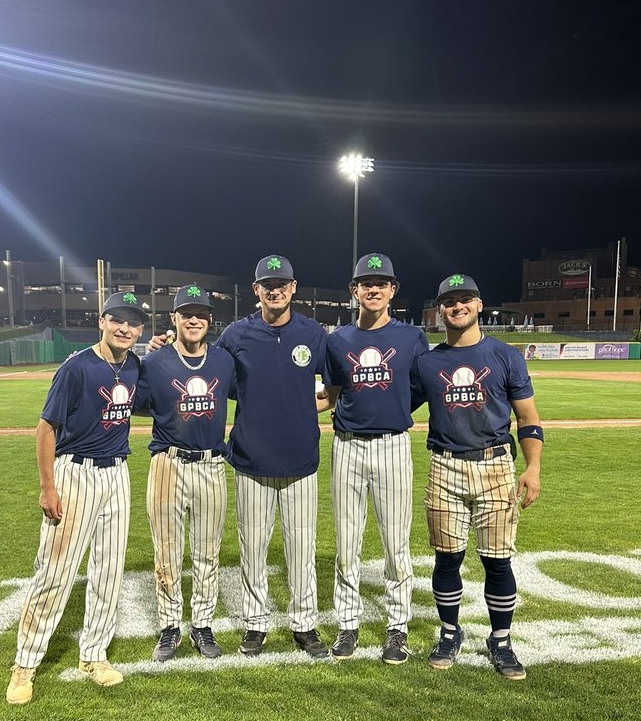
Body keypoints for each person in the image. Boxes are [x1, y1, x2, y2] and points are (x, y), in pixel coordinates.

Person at [6, 291, 145, 704]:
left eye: (133, 323)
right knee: (55, 573)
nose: (125, 328)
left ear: (140, 330)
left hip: (117, 473)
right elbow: (46, 428)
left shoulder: (135, 365)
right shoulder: (77, 368)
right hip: (76, 474)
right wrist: (48, 486)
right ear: (101, 321)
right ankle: (25, 664)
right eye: (117, 319)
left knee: (108, 572)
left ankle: (94, 655)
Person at [412, 273, 542, 680]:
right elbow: (395, 405)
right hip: (445, 464)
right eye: (449, 300)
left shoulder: (505, 356)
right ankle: (450, 633)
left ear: (480, 304)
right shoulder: (428, 362)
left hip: (495, 464)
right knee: (447, 558)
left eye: (465, 298)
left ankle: (500, 641)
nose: (457, 306)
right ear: (440, 309)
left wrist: (533, 467)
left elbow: (528, 419)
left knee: (497, 561)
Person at [217, 256, 328, 658]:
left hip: (300, 461)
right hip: (250, 460)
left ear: (294, 287)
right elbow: (212, 375)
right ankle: (255, 623)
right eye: (268, 284)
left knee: (302, 547)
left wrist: (299, 408)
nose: (275, 289)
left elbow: (332, 386)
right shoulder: (236, 334)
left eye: (282, 283)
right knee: (253, 547)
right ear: (256, 289)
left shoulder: (312, 333)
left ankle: (304, 624)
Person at [321, 253, 428, 664]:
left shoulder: (411, 337)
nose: (373, 288)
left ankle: (396, 628)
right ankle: (347, 624)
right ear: (355, 291)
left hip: (393, 444)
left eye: (381, 283)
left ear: (392, 291)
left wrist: (396, 408)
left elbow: (421, 387)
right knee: (347, 543)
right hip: (347, 444)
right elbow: (331, 393)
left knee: (395, 544)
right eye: (366, 282)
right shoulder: (337, 341)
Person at [137, 284, 236, 663]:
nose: (194, 319)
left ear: (209, 321)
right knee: (166, 551)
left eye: (201, 313)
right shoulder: (155, 361)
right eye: (186, 313)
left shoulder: (224, 361)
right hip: (168, 464)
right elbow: (139, 404)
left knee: (208, 553)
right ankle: (169, 627)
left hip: (211, 464)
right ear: (173, 318)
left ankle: (203, 625)